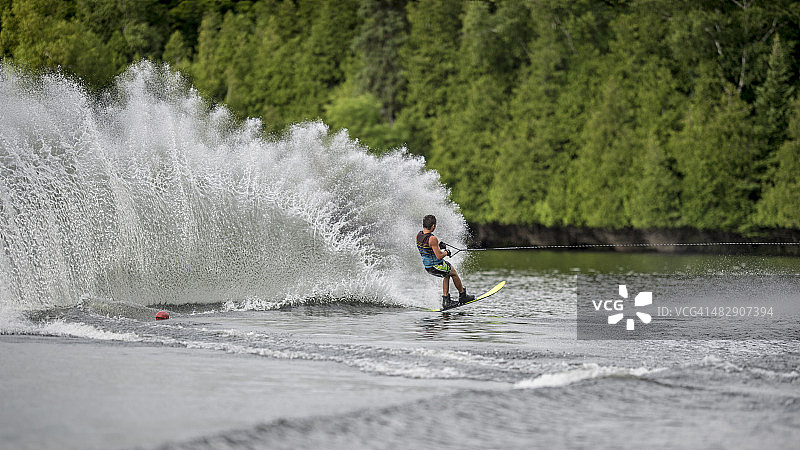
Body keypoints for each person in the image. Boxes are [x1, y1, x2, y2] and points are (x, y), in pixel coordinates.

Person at [416, 215, 475, 308]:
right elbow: (439, 256)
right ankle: (462, 296)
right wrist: (446, 252)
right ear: (433, 226)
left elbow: (427, 248)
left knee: (447, 274)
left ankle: (446, 300)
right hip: (435, 265)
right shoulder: (432, 239)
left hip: (428, 265)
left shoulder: (419, 235)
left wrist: (439, 246)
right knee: (453, 273)